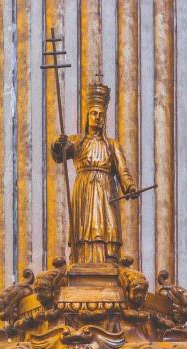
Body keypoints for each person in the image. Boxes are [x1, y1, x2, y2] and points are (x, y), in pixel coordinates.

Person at [51, 80, 138, 265]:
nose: (97, 117)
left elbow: (122, 170)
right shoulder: (77, 141)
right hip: (84, 190)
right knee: (84, 230)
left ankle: (108, 262)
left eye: (101, 115)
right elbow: (59, 155)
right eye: (93, 114)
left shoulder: (112, 144)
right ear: (87, 116)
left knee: (107, 227)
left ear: (104, 118)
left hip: (106, 191)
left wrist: (129, 186)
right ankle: (82, 261)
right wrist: (58, 144)